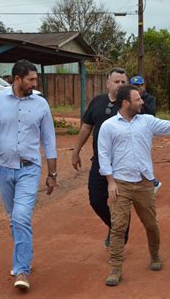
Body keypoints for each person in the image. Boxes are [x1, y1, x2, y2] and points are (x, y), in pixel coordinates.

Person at [0, 59, 57, 291]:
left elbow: (49, 140)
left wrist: (53, 173)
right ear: (17, 79)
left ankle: (22, 269)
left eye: (35, 79)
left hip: (29, 169)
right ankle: (25, 254)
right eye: (31, 79)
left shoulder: (41, 104)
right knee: (14, 218)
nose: (34, 83)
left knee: (21, 217)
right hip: (2, 168)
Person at [98, 84, 170, 286]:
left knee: (151, 224)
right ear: (126, 103)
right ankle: (115, 269)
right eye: (137, 99)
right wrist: (110, 182)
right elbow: (103, 156)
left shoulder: (147, 122)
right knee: (118, 227)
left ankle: (155, 254)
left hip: (144, 183)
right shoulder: (109, 126)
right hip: (120, 184)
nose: (142, 102)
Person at [71, 67, 129, 248]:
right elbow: (86, 127)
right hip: (100, 162)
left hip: (122, 164)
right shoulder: (97, 102)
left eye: (123, 82)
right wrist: (76, 151)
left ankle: (120, 234)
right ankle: (116, 228)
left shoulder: (130, 104)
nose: (120, 84)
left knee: (120, 202)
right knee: (96, 199)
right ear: (108, 84)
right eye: (116, 81)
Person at [130, 75, 162, 194]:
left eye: (139, 86)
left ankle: (153, 182)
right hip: (131, 130)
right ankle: (151, 183)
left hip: (145, 131)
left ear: (143, 86)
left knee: (142, 158)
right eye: (134, 86)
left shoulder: (150, 99)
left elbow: (152, 112)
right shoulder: (127, 99)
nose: (138, 88)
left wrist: (139, 101)